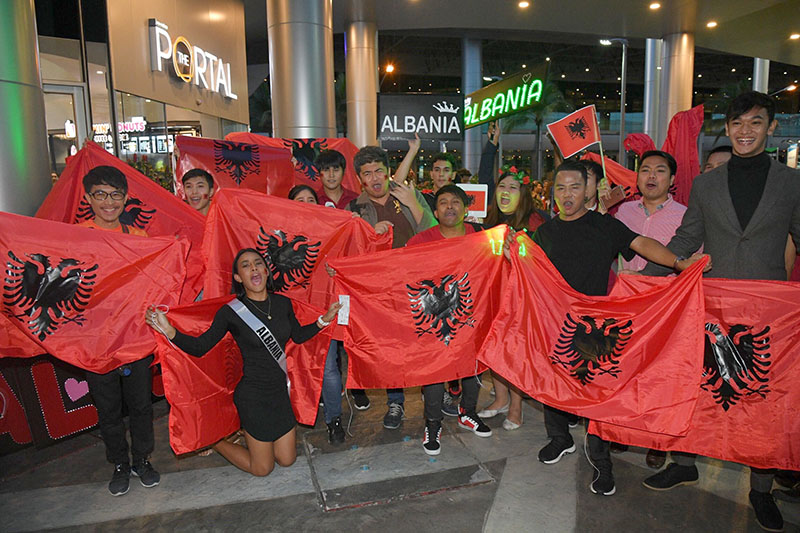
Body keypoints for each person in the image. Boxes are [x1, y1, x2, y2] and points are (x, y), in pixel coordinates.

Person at [640, 91, 800, 532]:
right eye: (737, 123)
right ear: (727, 128)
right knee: (698, 385)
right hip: (712, 305)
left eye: (755, 122)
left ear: (771, 127)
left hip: (768, 309)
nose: (745, 131)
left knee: (762, 399)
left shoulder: (792, 183)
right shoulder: (707, 185)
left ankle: (761, 489)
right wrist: (643, 281)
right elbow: (685, 241)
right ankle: (684, 461)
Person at [527, 159, 708, 497]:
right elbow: (527, 269)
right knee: (552, 384)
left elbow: (641, 244)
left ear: (589, 189)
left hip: (597, 328)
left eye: (575, 187)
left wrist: (679, 262)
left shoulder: (604, 226)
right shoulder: (544, 232)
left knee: (598, 397)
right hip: (554, 323)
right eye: (560, 188)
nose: (567, 195)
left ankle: (601, 462)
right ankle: (560, 439)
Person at [146, 248, 341, 476]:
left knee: (287, 460)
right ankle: (215, 442)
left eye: (258, 263)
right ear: (239, 278)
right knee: (262, 469)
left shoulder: (283, 304)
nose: (253, 268)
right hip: (253, 395)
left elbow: (297, 336)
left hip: (278, 392)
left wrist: (323, 320)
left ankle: (244, 438)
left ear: (266, 272)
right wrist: (169, 330)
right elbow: (200, 348)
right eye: (246, 266)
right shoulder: (230, 313)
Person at [77, 165, 159, 496]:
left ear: (125, 199)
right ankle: (119, 463)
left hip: (134, 338)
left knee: (140, 404)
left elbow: (155, 280)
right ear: (88, 198)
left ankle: (142, 459)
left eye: (114, 195)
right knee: (108, 408)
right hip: (96, 341)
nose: (108, 202)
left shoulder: (140, 239)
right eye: (100, 194)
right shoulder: (77, 236)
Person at [346, 145, 436, 429]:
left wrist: (415, 205)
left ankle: (435, 397)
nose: (374, 178)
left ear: (387, 174)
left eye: (379, 172)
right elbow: (350, 252)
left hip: (419, 286)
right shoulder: (354, 209)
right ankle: (395, 402)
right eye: (367, 173)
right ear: (360, 178)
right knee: (393, 349)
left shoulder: (409, 195)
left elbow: (434, 235)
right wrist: (371, 236)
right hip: (382, 291)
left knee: (428, 344)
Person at [614, 149, 691, 469]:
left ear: (671, 179)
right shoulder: (623, 213)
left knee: (660, 375)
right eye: (645, 170)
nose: (651, 177)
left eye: (660, 171)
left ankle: (655, 440)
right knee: (625, 369)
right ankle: (620, 429)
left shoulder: (687, 216)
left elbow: (690, 263)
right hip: (627, 304)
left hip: (666, 308)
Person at [406, 185, 491, 454]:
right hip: (435, 318)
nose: (450, 207)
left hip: (471, 316)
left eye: (456, 202)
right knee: (434, 372)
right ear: (435, 210)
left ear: (466, 208)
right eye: (443, 203)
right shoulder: (421, 241)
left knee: (472, 368)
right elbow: (398, 270)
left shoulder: (482, 236)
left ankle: (468, 412)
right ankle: (433, 423)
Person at [477, 165, 548, 431]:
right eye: (502, 186)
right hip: (494, 294)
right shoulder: (489, 220)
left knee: (516, 352)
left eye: (513, 187)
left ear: (524, 194)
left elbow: (542, 261)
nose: (505, 191)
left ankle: (516, 407)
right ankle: (501, 399)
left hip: (521, 297)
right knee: (494, 347)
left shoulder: (535, 222)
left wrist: (519, 257)